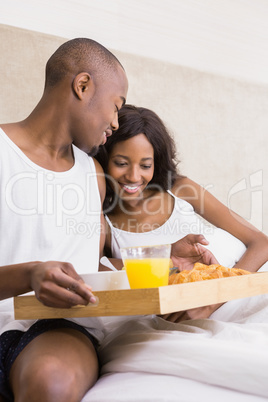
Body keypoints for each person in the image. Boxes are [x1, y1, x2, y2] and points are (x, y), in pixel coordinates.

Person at [0, 38, 128, 402]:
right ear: (83, 86)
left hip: (58, 328)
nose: (116, 123)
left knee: (51, 382)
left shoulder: (94, 176)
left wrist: (171, 265)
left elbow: (93, 265)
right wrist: (30, 274)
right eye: (115, 107)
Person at [95, 104, 268, 321]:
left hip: (237, 292)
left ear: (156, 163)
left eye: (145, 166)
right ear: (103, 159)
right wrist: (166, 256)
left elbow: (261, 242)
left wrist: (217, 296)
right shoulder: (104, 222)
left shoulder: (181, 189)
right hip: (182, 314)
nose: (133, 176)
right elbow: (96, 272)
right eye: (121, 163)